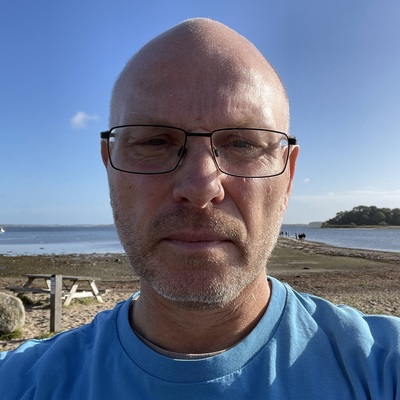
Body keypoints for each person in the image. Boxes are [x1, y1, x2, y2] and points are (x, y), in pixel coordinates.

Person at [1, 18, 399, 399]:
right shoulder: (20, 383)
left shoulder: (382, 367)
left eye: (243, 143)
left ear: (288, 176)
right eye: (155, 142)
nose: (200, 187)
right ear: (110, 166)